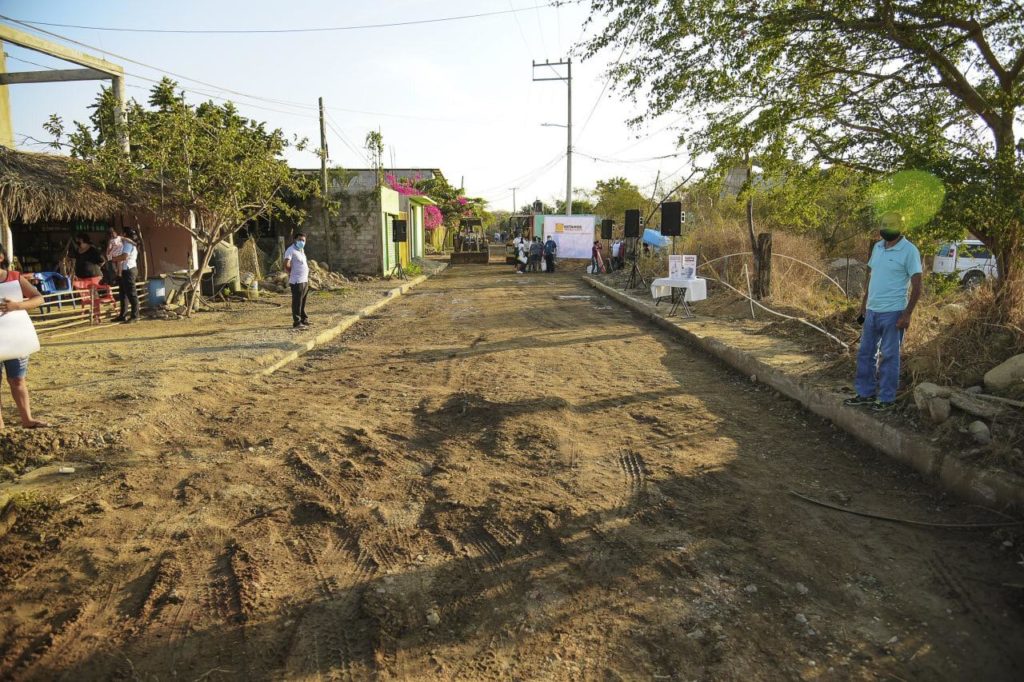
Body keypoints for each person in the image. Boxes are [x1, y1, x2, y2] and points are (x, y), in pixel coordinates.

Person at [845, 216, 923, 411]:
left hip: (894, 312)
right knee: (865, 354)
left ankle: (887, 398)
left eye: (891, 225)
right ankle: (865, 394)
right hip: (872, 311)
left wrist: (907, 314)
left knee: (889, 356)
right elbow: (872, 277)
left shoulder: (909, 251)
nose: (886, 228)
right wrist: (864, 304)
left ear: (901, 227)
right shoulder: (878, 247)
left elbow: (917, 286)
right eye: (884, 225)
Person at [0, 250, 48, 430]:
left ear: (1, 257)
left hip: (15, 337)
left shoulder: (15, 278)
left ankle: (27, 419)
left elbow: (38, 298)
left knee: (18, 380)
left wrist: (17, 306)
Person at [112, 227, 140, 323]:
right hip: (125, 270)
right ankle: (122, 315)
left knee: (131, 294)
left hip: (129, 270)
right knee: (123, 294)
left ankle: (135, 316)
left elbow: (125, 256)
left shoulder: (128, 244)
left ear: (124, 234)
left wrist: (114, 259)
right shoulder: (127, 243)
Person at [284, 232, 311, 328]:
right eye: (299, 240)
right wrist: (291, 272)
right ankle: (297, 322)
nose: (301, 242)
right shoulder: (290, 250)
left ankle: (304, 319)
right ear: (295, 240)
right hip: (296, 281)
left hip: (304, 280)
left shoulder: (301, 250)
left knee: (302, 302)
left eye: (303, 240)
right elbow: (286, 263)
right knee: (297, 302)